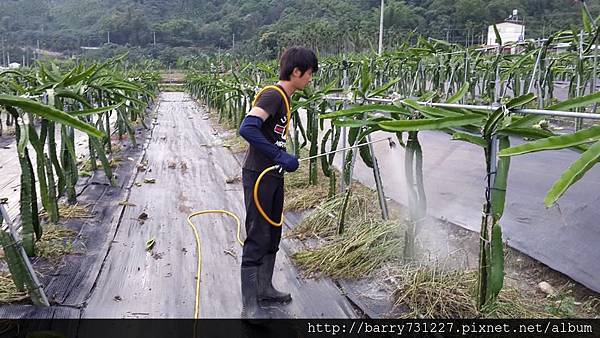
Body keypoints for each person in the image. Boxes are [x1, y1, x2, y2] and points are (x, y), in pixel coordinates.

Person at [238, 46, 318, 318]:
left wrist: (280, 158)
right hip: (259, 176)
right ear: (296, 72)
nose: (310, 79)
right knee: (257, 234)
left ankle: (265, 288)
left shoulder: (285, 98)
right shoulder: (273, 95)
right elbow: (247, 127)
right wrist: (278, 154)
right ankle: (250, 305)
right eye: (309, 74)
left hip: (274, 176)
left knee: (273, 233)